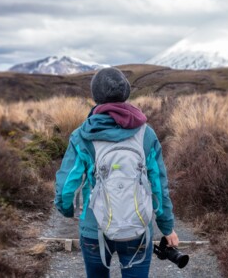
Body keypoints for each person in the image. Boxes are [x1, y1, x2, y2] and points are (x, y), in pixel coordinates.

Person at [54, 67, 178, 278]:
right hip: (137, 228)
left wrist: (68, 211)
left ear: (95, 96)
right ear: (126, 92)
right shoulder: (146, 134)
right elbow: (158, 185)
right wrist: (167, 226)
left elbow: (67, 187)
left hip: (94, 229)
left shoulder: (82, 135)